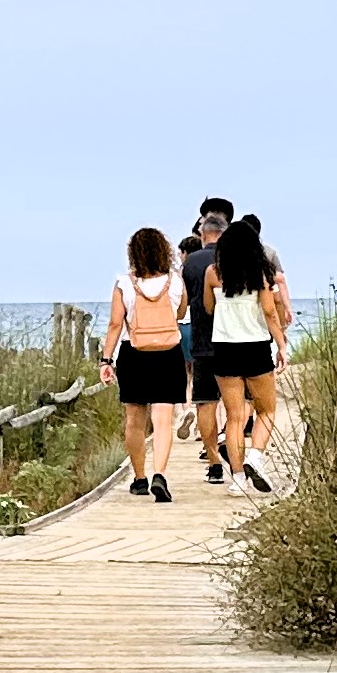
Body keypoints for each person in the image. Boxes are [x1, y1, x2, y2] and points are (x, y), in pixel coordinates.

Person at [100, 224, 189, 501]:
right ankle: (160, 474)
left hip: (133, 354)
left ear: (133, 254)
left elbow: (116, 324)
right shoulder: (175, 281)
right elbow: (181, 311)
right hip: (168, 353)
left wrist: (106, 359)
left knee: (134, 420)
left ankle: (139, 478)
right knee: (163, 420)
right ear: (164, 251)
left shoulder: (124, 284)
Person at [206, 212, 292, 492]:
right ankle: (256, 455)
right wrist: (281, 345)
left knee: (233, 417)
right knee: (266, 410)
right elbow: (269, 311)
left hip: (224, 349)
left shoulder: (214, 273)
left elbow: (208, 308)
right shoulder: (261, 274)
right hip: (255, 347)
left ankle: (239, 480)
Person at [180, 199, 233, 480]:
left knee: (205, 403)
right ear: (224, 234)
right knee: (235, 404)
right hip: (233, 341)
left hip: (202, 342)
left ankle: (213, 463)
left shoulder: (191, 264)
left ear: (203, 234)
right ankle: (236, 457)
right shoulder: (234, 260)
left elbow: (182, 304)